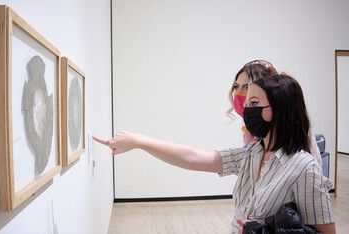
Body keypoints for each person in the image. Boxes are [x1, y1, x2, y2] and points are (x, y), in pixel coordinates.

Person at [93, 74, 335, 234]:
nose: (245, 110)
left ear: (279, 108)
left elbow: (325, 232)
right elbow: (193, 158)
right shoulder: (251, 154)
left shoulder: (304, 167)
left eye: (253, 103)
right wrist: (139, 141)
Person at [228, 60, 322, 166]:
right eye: (236, 87)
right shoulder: (250, 120)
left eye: (247, 87)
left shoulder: (285, 123)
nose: (238, 94)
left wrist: (252, 149)